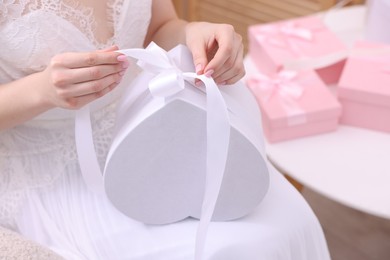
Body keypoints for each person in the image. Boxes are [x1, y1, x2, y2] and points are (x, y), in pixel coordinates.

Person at [0, 1, 331, 259]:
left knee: (290, 223)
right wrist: (40, 90)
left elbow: (159, 26)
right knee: (240, 249)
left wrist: (195, 32)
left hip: (151, 124)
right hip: (51, 170)